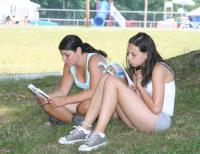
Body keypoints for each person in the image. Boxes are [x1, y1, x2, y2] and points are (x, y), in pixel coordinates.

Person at [58, 32, 176, 151]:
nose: (129, 58)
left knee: (111, 81)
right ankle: (85, 128)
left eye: (133, 54)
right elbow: (138, 101)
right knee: (106, 78)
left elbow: (156, 108)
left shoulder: (159, 69)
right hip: (140, 121)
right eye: (128, 53)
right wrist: (129, 86)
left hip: (159, 121)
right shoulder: (140, 69)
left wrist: (139, 87)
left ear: (147, 54)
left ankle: (99, 133)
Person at [36, 34, 107, 125]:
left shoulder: (95, 60)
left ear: (78, 51)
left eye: (67, 55)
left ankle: (62, 117)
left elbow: (94, 91)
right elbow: (62, 90)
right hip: (87, 102)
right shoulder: (69, 65)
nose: (64, 59)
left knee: (84, 107)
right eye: (62, 55)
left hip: (105, 103)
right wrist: (47, 97)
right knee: (48, 104)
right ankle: (75, 122)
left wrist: (65, 100)